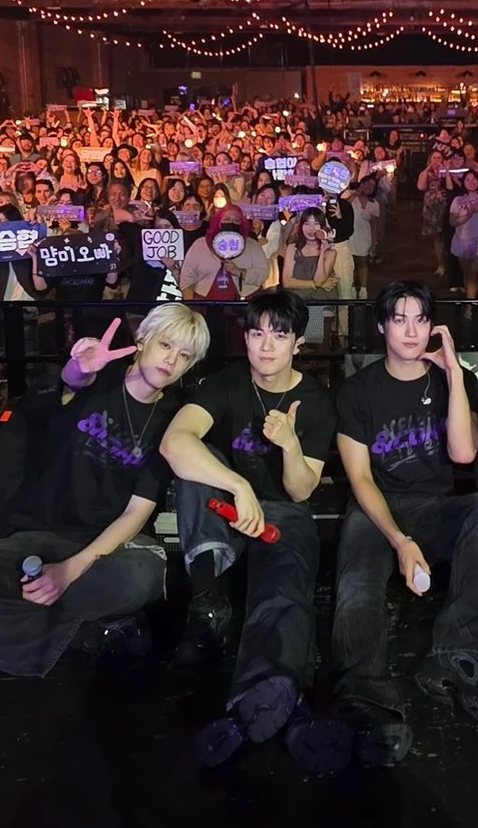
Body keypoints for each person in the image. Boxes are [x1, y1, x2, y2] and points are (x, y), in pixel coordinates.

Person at [0, 306, 210, 677]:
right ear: (142, 341)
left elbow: (135, 513)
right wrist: (79, 369)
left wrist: (69, 571)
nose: (171, 360)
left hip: (105, 547)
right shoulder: (98, 377)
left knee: (144, 576)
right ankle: (87, 636)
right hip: (35, 534)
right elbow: (71, 382)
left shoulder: (172, 420)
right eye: (166, 345)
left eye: (184, 356)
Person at [156, 289, 351, 775]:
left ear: (297, 343)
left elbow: (302, 490)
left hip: (283, 513)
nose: (266, 346)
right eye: (257, 333)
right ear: (244, 337)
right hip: (228, 509)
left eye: (279, 336)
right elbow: (174, 442)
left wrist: (289, 444)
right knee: (197, 460)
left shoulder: (315, 400)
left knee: (282, 587)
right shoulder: (226, 383)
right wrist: (238, 485)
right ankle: (209, 604)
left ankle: (268, 688)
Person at [332, 282, 478, 767]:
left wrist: (454, 374)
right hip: (376, 509)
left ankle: (459, 657)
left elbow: (464, 453)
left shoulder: (453, 379)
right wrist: (400, 540)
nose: (410, 331)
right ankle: (364, 695)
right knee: (357, 584)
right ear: (383, 327)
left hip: (433, 506)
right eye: (399, 319)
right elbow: (360, 479)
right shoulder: (358, 391)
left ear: (432, 327)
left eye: (420, 319)